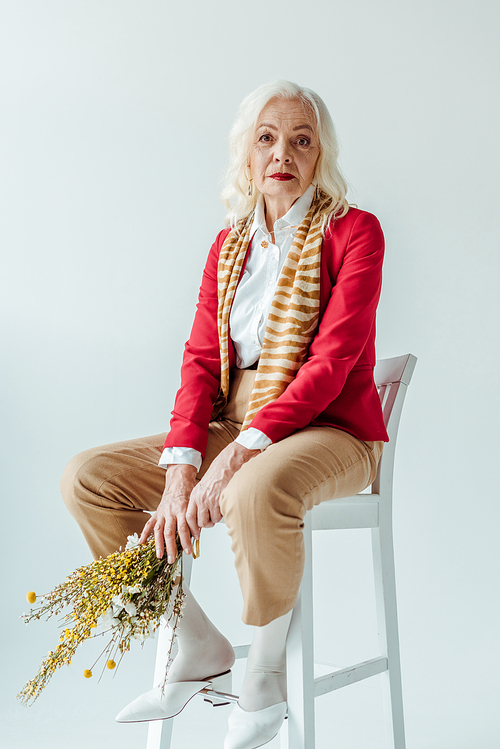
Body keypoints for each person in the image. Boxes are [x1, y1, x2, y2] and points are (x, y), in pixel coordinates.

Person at [61, 79, 388, 749]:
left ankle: (264, 672)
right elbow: (200, 363)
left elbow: (331, 363)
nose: (282, 153)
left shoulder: (355, 233)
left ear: (321, 153)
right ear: (246, 154)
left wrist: (240, 455)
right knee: (88, 477)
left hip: (332, 429)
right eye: (266, 138)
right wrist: (181, 468)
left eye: (301, 139)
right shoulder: (229, 246)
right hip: (238, 424)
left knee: (251, 485)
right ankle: (193, 638)